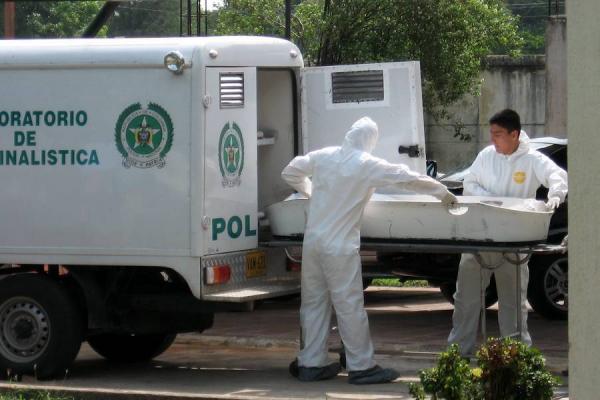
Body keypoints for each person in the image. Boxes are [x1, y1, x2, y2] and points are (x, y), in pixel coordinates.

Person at [281, 116, 457, 384]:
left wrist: (311, 192)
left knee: (313, 304)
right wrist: (443, 192)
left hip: (313, 244)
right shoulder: (366, 164)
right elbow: (408, 178)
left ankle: (311, 362)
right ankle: (361, 366)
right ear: (369, 141)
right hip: (339, 247)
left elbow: (290, 171)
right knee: (349, 306)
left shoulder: (324, 156)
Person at [447, 109, 568, 357]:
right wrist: (492, 200)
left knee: (513, 302)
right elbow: (470, 183)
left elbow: (557, 175)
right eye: (491, 133)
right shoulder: (486, 156)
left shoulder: (532, 159)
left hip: (514, 241)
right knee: (466, 298)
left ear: (514, 134)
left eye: (498, 134)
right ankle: (458, 354)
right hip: (480, 236)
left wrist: (556, 195)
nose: (493, 139)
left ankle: (515, 357)